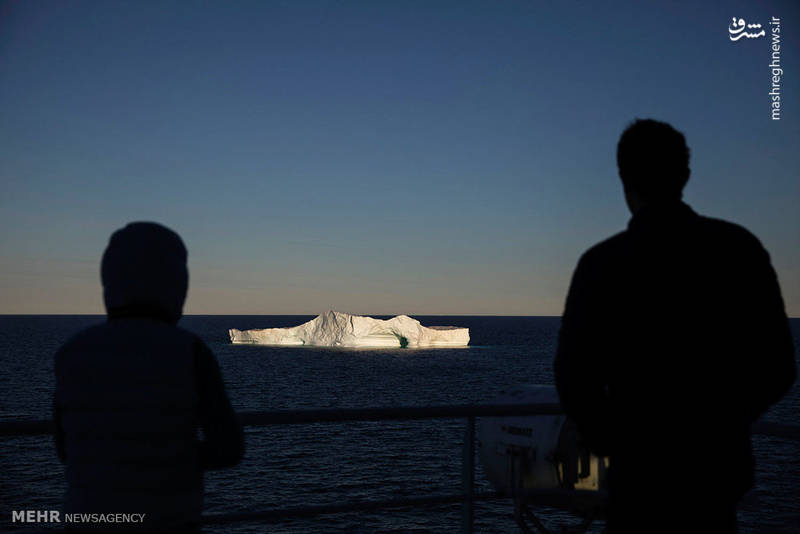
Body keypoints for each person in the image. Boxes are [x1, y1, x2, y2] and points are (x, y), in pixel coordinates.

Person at [554, 119, 796, 533]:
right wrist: (723, 421)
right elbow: (778, 366)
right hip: (714, 481)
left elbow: (573, 376)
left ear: (623, 179)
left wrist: (617, 438)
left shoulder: (602, 264)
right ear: (685, 175)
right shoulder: (738, 249)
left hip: (636, 483)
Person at [54, 222, 244, 532]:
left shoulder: (72, 352)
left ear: (110, 282)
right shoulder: (190, 351)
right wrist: (165, 460)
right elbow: (228, 448)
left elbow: (65, 448)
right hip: (167, 519)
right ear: (176, 286)